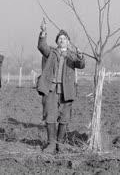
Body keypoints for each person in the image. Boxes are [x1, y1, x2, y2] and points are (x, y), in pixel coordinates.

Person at [37, 20, 85, 154]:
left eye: (64, 38)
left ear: (68, 42)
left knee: (64, 117)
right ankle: (51, 144)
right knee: (50, 115)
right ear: (57, 41)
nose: (62, 40)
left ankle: (60, 144)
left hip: (67, 91)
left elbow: (81, 65)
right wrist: (43, 32)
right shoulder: (51, 52)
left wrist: (81, 56)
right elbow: (42, 46)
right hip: (51, 89)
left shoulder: (72, 55)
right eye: (60, 38)